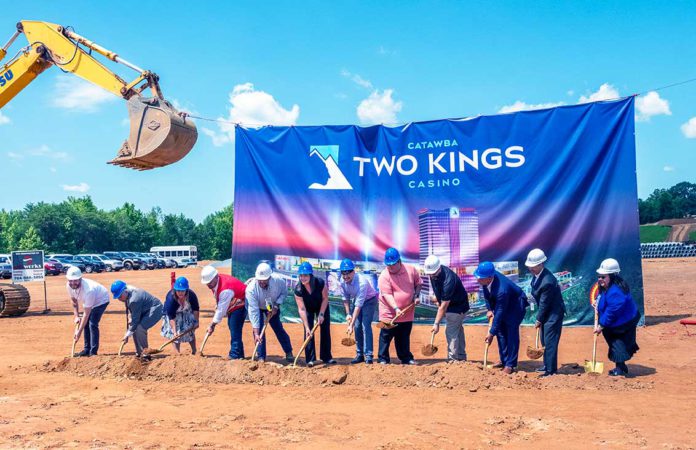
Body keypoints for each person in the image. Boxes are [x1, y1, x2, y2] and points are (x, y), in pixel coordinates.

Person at [475, 261, 529, 374]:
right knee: (500, 332)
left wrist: (491, 333)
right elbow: (486, 295)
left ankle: (510, 365)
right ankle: (504, 360)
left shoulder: (502, 290)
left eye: (480, 277)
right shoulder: (486, 281)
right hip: (503, 304)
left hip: (515, 307)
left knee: (511, 333)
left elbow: (499, 313)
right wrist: (489, 309)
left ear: (489, 278)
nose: (477, 279)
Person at [594, 258, 641, 377]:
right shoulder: (608, 285)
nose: (600, 279)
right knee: (614, 340)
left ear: (612, 276)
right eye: (599, 276)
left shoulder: (616, 291)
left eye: (603, 277)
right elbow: (603, 297)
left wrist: (601, 326)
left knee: (616, 341)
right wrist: (597, 303)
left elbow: (612, 312)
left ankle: (620, 369)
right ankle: (621, 366)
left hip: (624, 322)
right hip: (621, 319)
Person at [377, 247, 422, 365]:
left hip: (407, 311)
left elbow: (418, 283)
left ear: (399, 261)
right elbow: (387, 294)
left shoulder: (411, 270)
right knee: (386, 335)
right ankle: (383, 358)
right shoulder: (384, 275)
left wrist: (416, 295)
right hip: (388, 310)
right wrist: (396, 308)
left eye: (392, 264)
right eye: (388, 264)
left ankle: (405, 357)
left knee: (403, 335)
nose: (390, 267)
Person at [525, 248, 565, 377]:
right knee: (544, 340)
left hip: (553, 314)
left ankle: (551, 370)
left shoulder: (547, 281)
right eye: (529, 266)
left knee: (550, 342)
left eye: (533, 266)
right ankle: (547, 365)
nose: (531, 269)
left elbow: (544, 303)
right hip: (547, 313)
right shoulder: (537, 276)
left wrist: (538, 319)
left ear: (541, 264)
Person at [423, 255, 469, 362]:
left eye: (433, 273)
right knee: (457, 330)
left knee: (451, 332)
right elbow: (439, 295)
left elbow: (443, 306)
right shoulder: (434, 274)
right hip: (453, 304)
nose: (431, 276)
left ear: (439, 268)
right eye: (429, 274)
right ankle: (461, 357)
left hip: (457, 307)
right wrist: (438, 300)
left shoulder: (448, 280)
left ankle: (452, 359)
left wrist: (436, 324)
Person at [246, 262, 294, 363]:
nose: (262, 283)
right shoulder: (251, 289)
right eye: (260, 280)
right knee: (258, 332)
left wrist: (276, 306)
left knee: (278, 328)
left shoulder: (278, 281)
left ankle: (289, 352)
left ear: (270, 277)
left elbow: (284, 293)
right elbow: (253, 310)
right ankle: (261, 357)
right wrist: (256, 332)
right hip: (258, 307)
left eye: (264, 280)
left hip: (272, 305)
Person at [200, 265, 248, 360]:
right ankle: (240, 355)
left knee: (234, 327)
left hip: (241, 303)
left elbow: (221, 311)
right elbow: (220, 302)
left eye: (209, 282)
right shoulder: (217, 281)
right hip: (234, 303)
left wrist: (212, 325)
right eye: (207, 283)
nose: (208, 285)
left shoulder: (225, 289)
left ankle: (235, 355)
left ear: (215, 277)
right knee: (233, 327)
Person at [294, 261, 335, 367]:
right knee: (308, 332)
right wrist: (307, 327)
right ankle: (310, 359)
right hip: (308, 309)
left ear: (310, 275)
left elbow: (325, 298)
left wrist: (321, 314)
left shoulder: (320, 283)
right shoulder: (298, 289)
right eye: (301, 275)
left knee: (325, 329)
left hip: (321, 305)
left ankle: (326, 357)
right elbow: (302, 309)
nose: (303, 278)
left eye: (305, 275)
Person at [339, 258, 378, 365]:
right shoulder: (342, 281)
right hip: (357, 300)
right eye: (343, 273)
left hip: (369, 300)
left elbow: (358, 306)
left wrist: (350, 325)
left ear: (353, 271)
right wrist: (348, 314)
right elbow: (345, 299)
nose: (345, 276)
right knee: (357, 326)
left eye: (348, 273)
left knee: (365, 325)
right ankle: (360, 354)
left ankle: (368, 355)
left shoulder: (362, 282)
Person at [111, 280, 163, 360]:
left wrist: (128, 333)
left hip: (155, 309)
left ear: (125, 291)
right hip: (144, 309)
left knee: (139, 327)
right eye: (117, 297)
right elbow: (131, 315)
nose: (119, 299)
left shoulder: (134, 300)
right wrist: (129, 328)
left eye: (120, 296)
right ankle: (139, 353)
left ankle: (145, 353)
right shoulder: (128, 291)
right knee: (134, 328)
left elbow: (135, 320)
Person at [66, 267, 110, 357]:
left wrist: (78, 332)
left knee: (92, 323)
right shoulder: (69, 285)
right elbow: (74, 302)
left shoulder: (89, 290)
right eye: (71, 280)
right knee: (85, 324)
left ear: (80, 279)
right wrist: (76, 316)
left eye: (75, 280)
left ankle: (93, 352)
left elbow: (86, 314)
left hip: (101, 300)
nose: (73, 283)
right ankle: (86, 349)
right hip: (89, 302)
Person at [161, 276, 200, 354]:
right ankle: (177, 353)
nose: (180, 293)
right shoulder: (171, 299)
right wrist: (174, 332)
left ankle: (194, 351)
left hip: (186, 311)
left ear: (186, 290)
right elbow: (171, 316)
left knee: (190, 330)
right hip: (172, 315)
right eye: (178, 290)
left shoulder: (191, 295)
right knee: (176, 334)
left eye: (182, 290)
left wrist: (196, 321)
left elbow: (196, 309)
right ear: (175, 290)